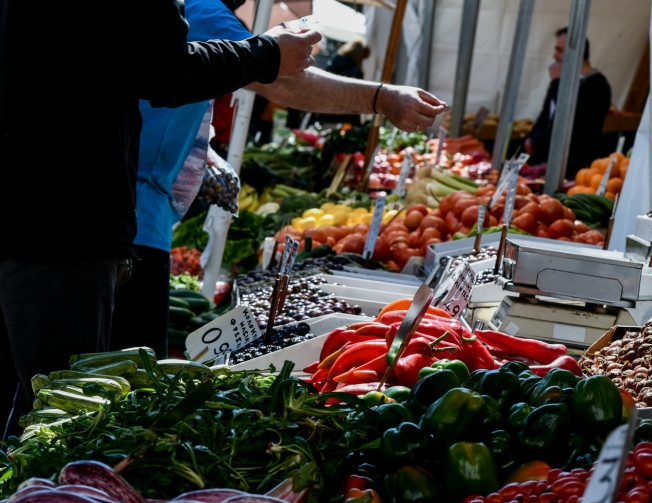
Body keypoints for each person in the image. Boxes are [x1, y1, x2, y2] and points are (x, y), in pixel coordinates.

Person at [0, 0, 320, 439]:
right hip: (66, 214)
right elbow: (165, 71)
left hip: (37, 206)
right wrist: (268, 54)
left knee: (34, 409)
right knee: (61, 420)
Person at [111, 0, 448, 359]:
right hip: (135, 219)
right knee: (130, 378)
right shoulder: (205, 9)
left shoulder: (192, 9)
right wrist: (381, 98)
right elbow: (283, 83)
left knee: (108, 372)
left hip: (133, 211)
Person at [525, 27, 612, 175]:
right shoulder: (563, 80)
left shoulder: (597, 86)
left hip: (571, 169)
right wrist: (532, 137)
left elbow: (571, 116)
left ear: (576, 53)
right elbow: (547, 113)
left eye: (559, 51)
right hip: (543, 164)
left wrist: (557, 83)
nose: (555, 56)